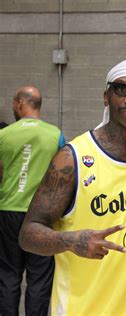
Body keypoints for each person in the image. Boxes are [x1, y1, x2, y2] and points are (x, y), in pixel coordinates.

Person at [18, 58, 126, 315]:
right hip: (86, 307)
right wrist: (70, 240)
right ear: (106, 97)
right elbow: (28, 234)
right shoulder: (72, 158)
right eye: (121, 88)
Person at [0, 86, 65, 315]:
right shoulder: (55, 135)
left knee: (8, 275)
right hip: (42, 216)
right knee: (39, 278)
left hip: (8, 211)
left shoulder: (3, 135)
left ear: (19, 103)